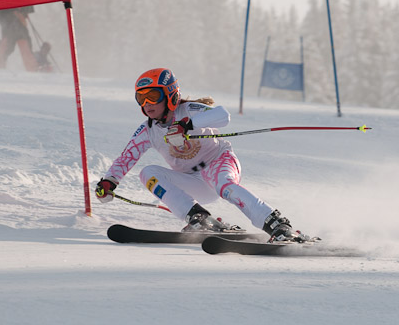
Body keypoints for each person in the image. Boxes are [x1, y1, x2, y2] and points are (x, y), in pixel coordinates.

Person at [95, 68, 309, 242]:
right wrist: (109, 182)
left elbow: (222, 116)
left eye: (152, 96)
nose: (147, 103)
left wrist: (187, 124)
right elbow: (126, 158)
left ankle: (276, 224)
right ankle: (199, 218)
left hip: (218, 162)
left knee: (225, 185)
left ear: (170, 95)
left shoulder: (189, 110)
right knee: (148, 173)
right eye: (140, 98)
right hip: (192, 180)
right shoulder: (148, 130)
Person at [0, 6, 38, 71]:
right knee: (11, 44)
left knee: (12, 45)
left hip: (11, 14)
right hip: (9, 13)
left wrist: (24, 12)